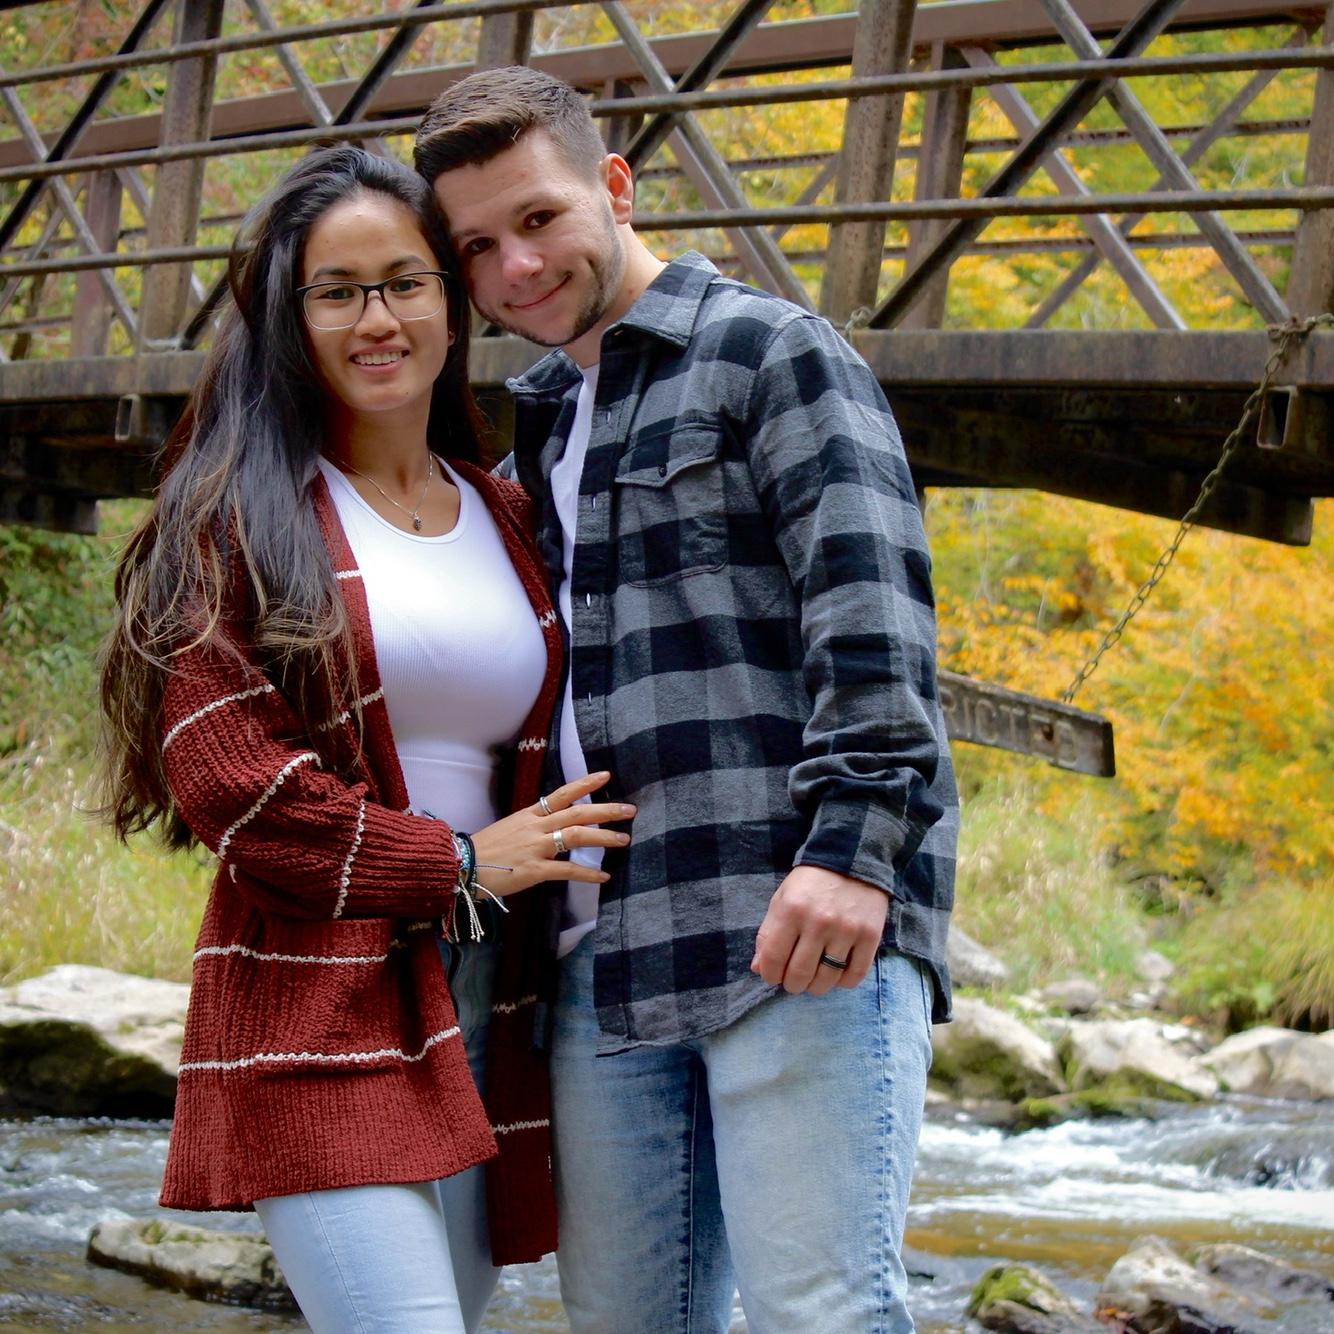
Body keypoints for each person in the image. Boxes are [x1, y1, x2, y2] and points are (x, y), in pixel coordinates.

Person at [415, 67, 959, 1334]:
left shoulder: (769, 352)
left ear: (613, 186)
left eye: (538, 219)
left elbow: (873, 614)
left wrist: (852, 854)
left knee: (820, 1312)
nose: (515, 268)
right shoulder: (536, 429)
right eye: (477, 248)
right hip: (604, 960)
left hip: (793, 925)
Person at [97, 144, 634, 1334]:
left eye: (404, 281)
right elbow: (233, 784)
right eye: (336, 291)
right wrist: (452, 863)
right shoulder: (235, 511)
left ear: (450, 297)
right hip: (317, 994)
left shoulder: (504, 505)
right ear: (290, 316)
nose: (374, 318)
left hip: (496, 991)